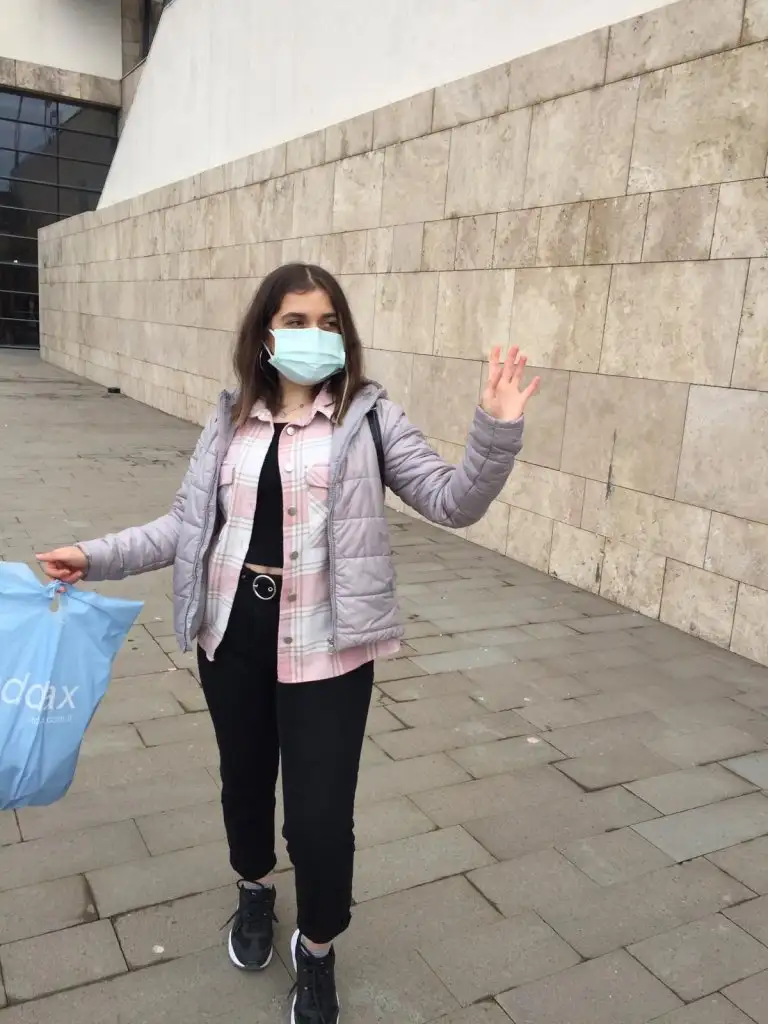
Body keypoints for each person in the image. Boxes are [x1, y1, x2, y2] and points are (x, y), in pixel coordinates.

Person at [38, 262, 540, 1024]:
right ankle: (254, 890)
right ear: (266, 334)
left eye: (328, 322)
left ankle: (319, 947)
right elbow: (184, 527)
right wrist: (93, 554)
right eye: (297, 321)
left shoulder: (369, 419)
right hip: (232, 634)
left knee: (319, 818)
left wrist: (494, 432)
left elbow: (452, 501)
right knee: (243, 783)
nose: (314, 335)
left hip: (329, 647)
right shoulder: (230, 420)